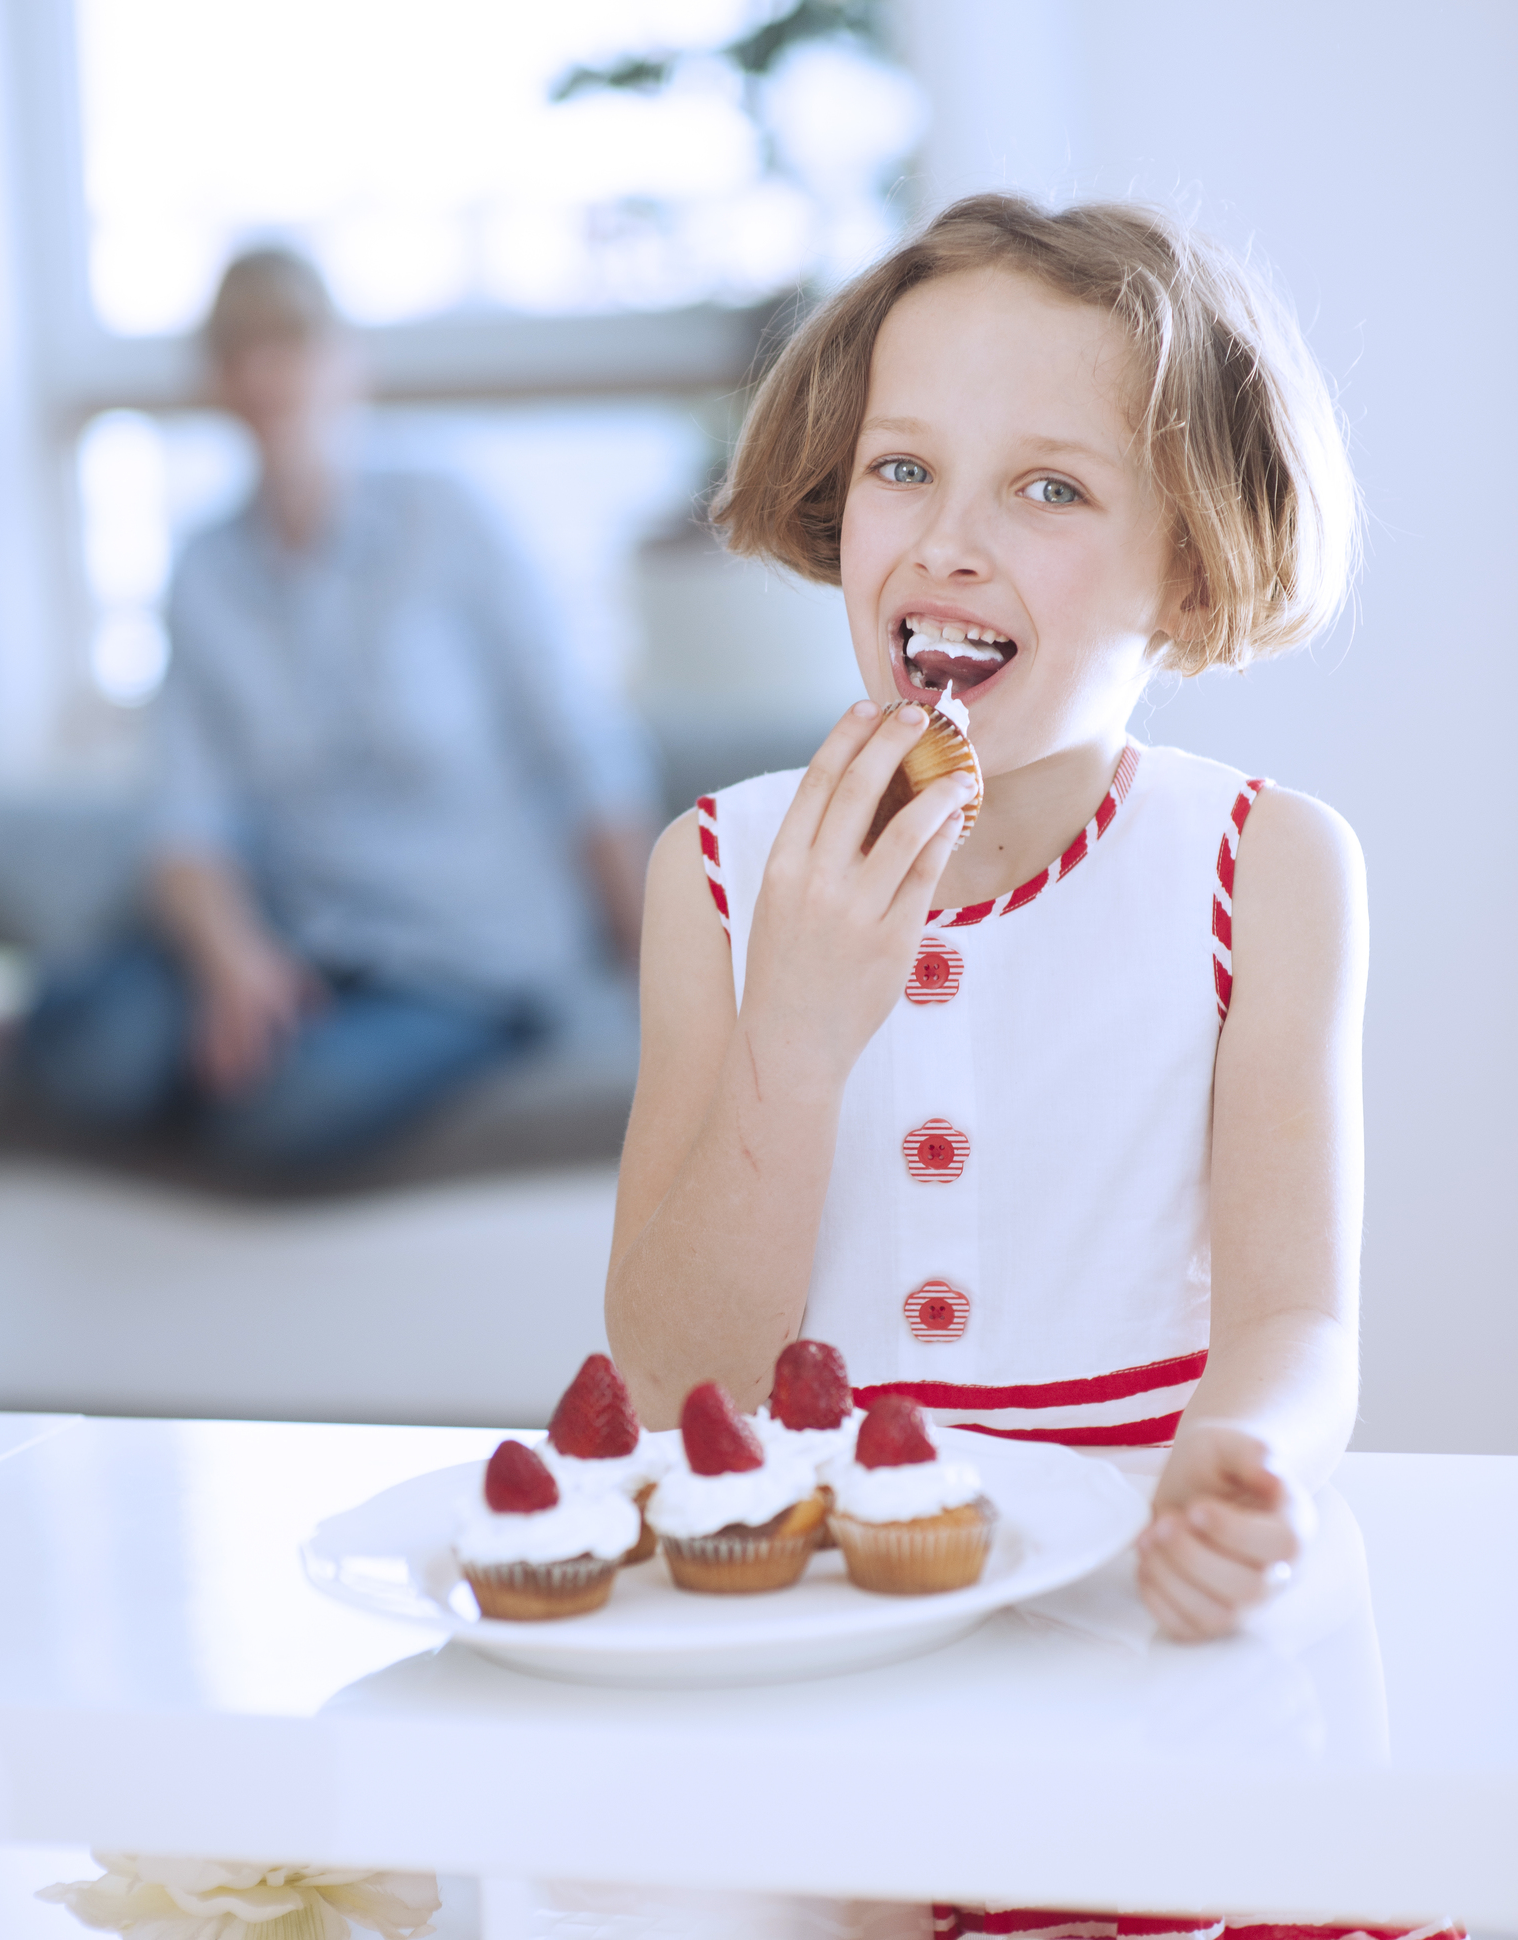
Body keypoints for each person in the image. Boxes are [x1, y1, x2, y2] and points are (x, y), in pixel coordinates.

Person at [605, 195, 1461, 1939]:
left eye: (1051, 488)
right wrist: (800, 1028)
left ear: (1196, 565)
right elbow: (677, 1367)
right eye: (903, 468)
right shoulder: (712, 871)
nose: (949, 543)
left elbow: (1295, 1319)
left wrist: (1249, 1464)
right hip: (821, 1624)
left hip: (1145, 1608)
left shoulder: (1269, 864)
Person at [20, 249, 656, 1171]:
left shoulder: (447, 519)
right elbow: (186, 816)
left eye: (290, 345)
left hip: (460, 960)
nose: (267, 375)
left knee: (280, 1110)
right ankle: (61, 1016)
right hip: (300, 932)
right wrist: (235, 959)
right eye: (239, 352)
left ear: (347, 362)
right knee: (101, 1060)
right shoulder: (203, 570)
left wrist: (665, 987)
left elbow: (585, 755)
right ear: (216, 384)